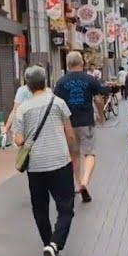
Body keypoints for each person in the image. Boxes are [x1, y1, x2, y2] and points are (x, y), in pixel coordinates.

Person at [13, 66, 77, 256]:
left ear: (27, 86)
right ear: (46, 81)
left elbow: (19, 140)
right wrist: (73, 157)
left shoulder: (23, 109)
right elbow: (70, 135)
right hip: (60, 161)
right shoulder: (58, 102)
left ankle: (47, 242)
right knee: (65, 207)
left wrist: (21, 139)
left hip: (36, 167)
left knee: (40, 208)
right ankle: (55, 244)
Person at [53, 51, 107, 202]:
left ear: (68, 64)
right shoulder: (90, 79)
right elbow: (98, 99)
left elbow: (57, 104)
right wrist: (101, 116)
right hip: (86, 122)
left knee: (74, 155)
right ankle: (84, 181)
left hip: (68, 124)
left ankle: (77, 184)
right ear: (82, 62)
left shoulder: (61, 82)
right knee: (89, 153)